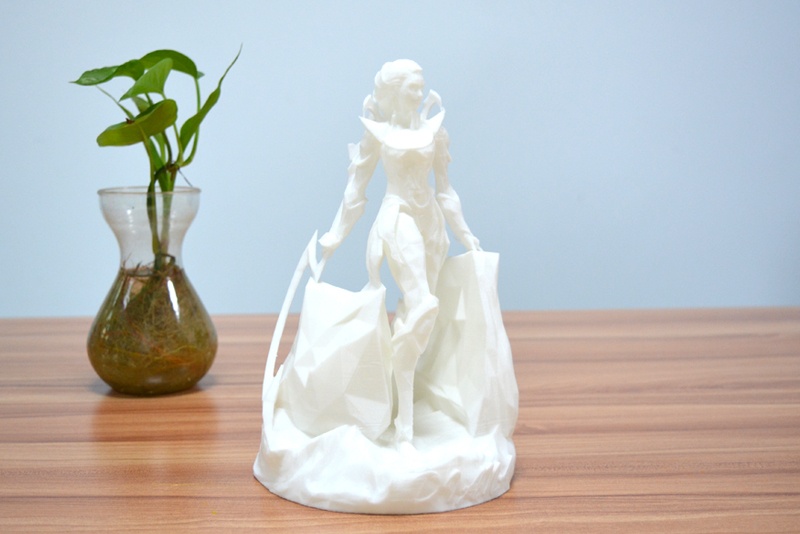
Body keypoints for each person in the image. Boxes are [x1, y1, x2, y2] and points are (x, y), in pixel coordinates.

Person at [319, 59, 480, 443]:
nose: (420, 93)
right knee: (423, 304)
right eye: (412, 87)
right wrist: (335, 235)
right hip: (397, 218)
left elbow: (446, 190)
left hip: (431, 225)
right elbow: (356, 190)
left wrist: (466, 235)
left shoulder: (434, 130)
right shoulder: (378, 133)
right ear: (394, 91)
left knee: (418, 318)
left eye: (422, 86)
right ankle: (405, 431)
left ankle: (393, 398)